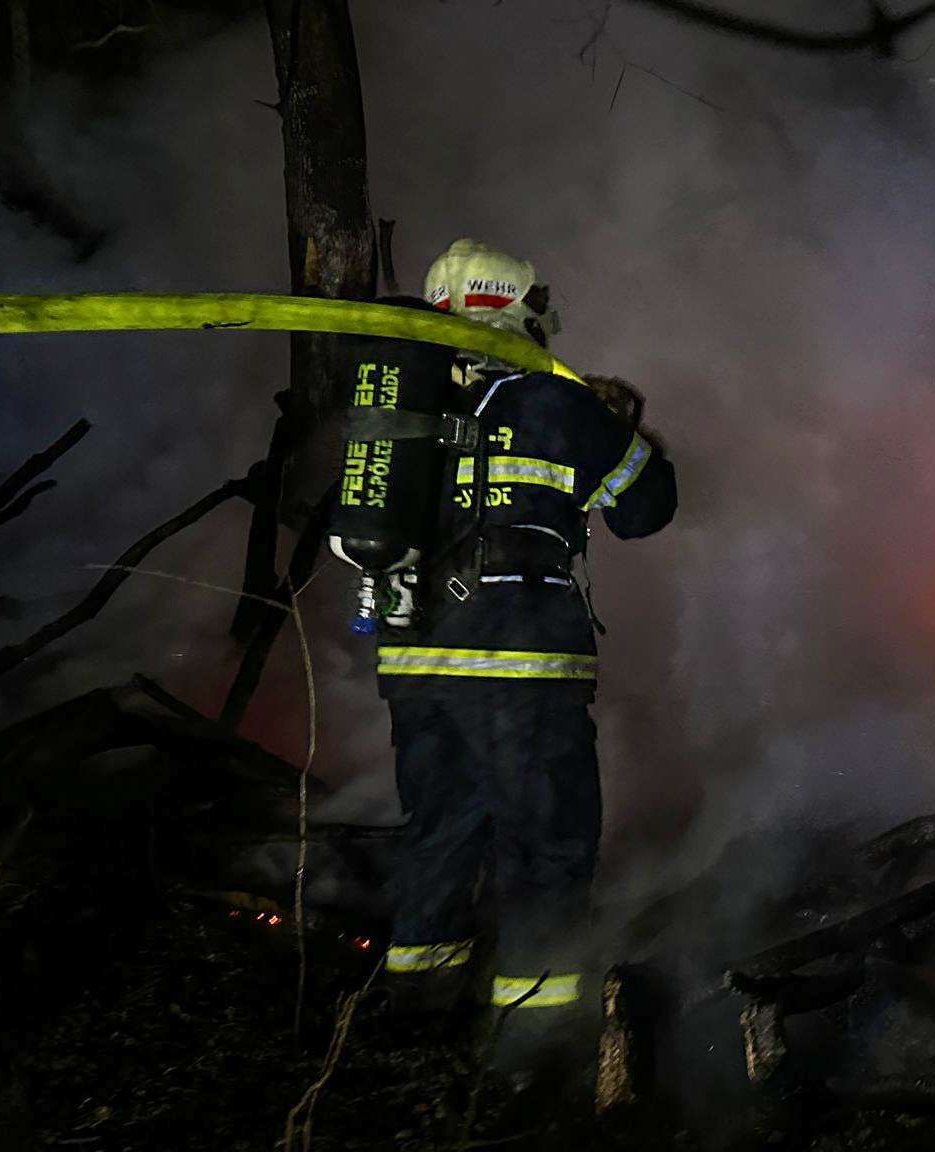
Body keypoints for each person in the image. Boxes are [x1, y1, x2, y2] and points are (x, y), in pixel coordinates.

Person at [375, 239, 676, 1078]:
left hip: (415, 663)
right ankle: (530, 1041)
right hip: (518, 664)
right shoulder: (554, 402)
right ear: (519, 311)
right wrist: (620, 424)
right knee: (547, 843)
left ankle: (414, 1013)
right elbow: (647, 507)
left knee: (439, 829)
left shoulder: (402, 404)